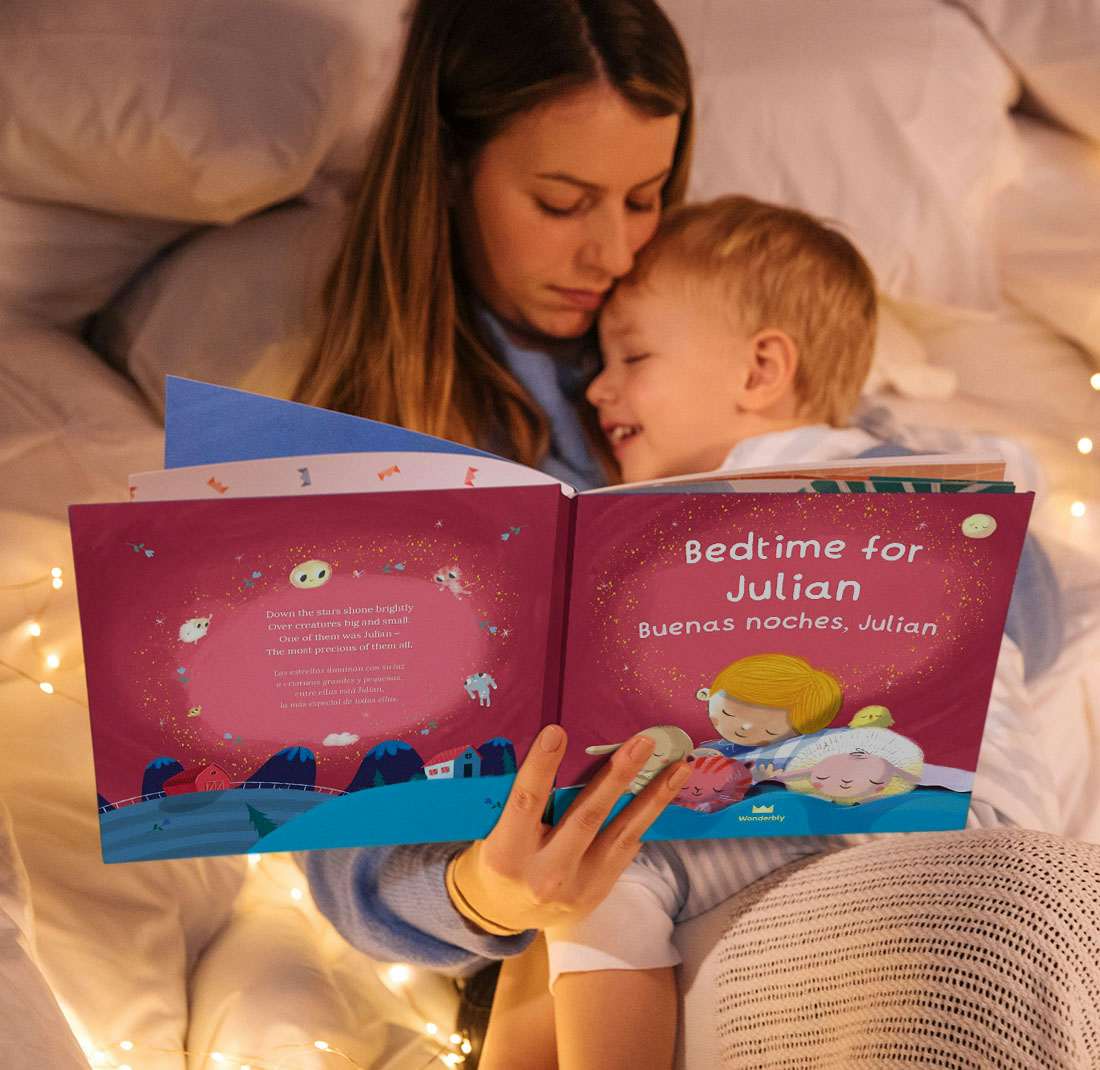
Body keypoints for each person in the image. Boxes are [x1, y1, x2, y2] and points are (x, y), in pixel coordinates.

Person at [473, 195, 1062, 1070]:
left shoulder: (857, 480)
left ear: (762, 371)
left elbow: (1025, 623)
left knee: (603, 876)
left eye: (633, 356)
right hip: (827, 814)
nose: (597, 390)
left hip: (939, 808)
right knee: (586, 870)